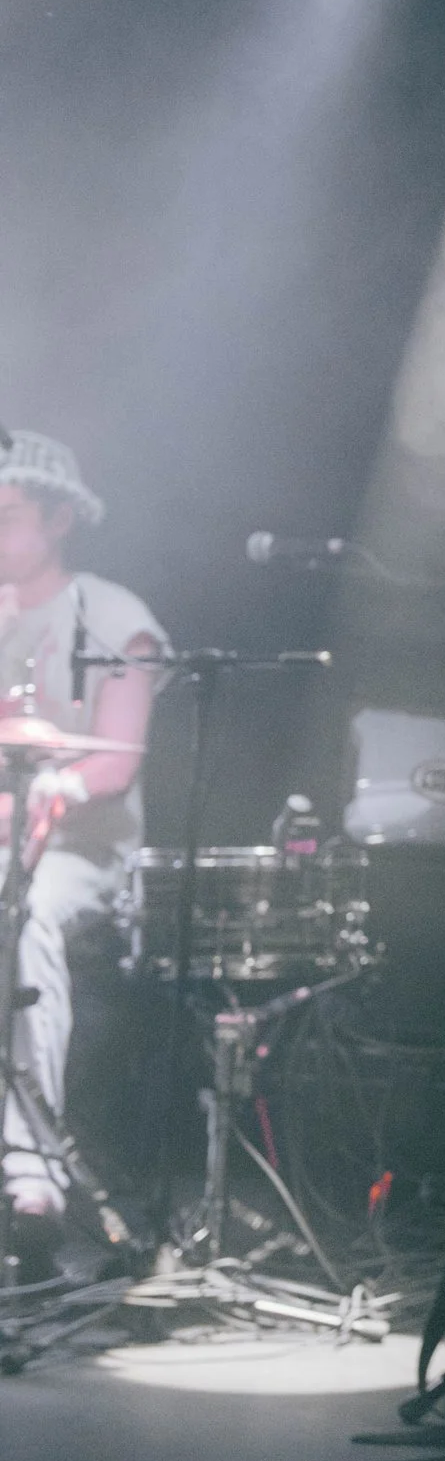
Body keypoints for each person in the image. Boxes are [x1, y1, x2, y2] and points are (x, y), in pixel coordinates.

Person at [0, 429, 164, 1275]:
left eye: (12, 511)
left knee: (22, 918)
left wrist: (48, 788)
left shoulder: (113, 616)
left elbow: (116, 758)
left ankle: (32, 1169)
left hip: (83, 856)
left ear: (59, 517)